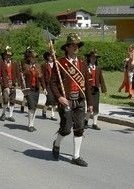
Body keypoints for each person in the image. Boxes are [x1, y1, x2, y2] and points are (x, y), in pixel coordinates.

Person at [51, 33, 93, 167]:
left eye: (77, 45)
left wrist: (90, 104)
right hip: (66, 100)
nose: (76, 48)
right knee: (66, 129)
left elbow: (87, 85)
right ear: (67, 47)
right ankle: (56, 144)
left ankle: (76, 156)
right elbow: (52, 83)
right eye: (73, 45)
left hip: (80, 100)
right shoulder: (60, 63)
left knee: (79, 128)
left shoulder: (82, 64)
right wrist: (59, 97)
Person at [21, 47, 46, 132]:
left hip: (36, 89)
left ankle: (32, 123)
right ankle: (30, 124)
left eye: (35, 57)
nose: (34, 59)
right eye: (32, 57)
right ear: (29, 58)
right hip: (29, 89)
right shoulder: (25, 65)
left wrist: (44, 88)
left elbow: (41, 78)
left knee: (34, 107)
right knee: (31, 106)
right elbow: (23, 75)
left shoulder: (38, 66)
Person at [84, 49, 107, 130]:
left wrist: (104, 89)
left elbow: (101, 79)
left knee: (96, 107)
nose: (93, 59)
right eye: (92, 57)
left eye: (95, 58)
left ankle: (94, 123)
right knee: (90, 107)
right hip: (88, 89)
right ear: (89, 58)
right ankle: (86, 121)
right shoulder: (86, 67)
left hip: (96, 89)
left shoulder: (98, 68)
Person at [0, 46, 19, 122]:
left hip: (12, 82)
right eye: (7, 56)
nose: (8, 57)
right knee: (5, 99)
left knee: (12, 99)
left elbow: (17, 73)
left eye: (10, 56)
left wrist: (17, 81)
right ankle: (3, 113)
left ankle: (10, 115)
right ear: (4, 56)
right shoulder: (1, 63)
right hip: (4, 83)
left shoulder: (14, 63)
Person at [41, 52, 58, 121]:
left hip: (55, 84)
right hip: (48, 84)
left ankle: (52, 115)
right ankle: (44, 110)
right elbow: (42, 77)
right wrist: (44, 87)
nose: (51, 57)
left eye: (52, 56)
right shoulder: (44, 65)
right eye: (50, 56)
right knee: (50, 99)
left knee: (54, 100)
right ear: (47, 57)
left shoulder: (56, 65)